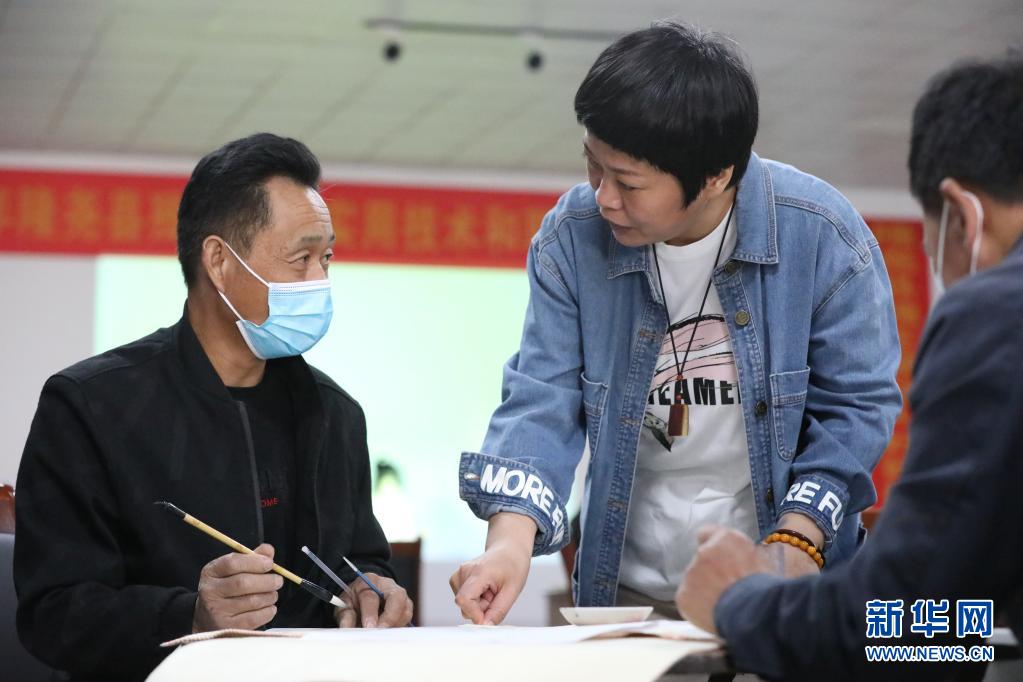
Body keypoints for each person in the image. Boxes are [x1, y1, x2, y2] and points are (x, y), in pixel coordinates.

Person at [450, 21, 902, 624]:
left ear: (716, 175)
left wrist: (796, 541)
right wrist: (509, 546)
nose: (603, 196)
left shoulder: (821, 237)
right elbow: (542, 399)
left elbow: (856, 407)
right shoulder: (573, 238)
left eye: (628, 182)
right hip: (625, 591)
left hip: (783, 579)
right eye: (593, 166)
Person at [14, 133, 413, 682]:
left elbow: (361, 561)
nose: (320, 281)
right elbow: (52, 612)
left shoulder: (334, 413)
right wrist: (192, 616)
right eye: (301, 259)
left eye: (326, 258)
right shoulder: (91, 406)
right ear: (220, 261)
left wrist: (372, 590)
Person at [676, 53, 1023, 680]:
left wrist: (738, 600)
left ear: (962, 216)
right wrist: (969, 637)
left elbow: (895, 624)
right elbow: (939, 626)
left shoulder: (996, 317)